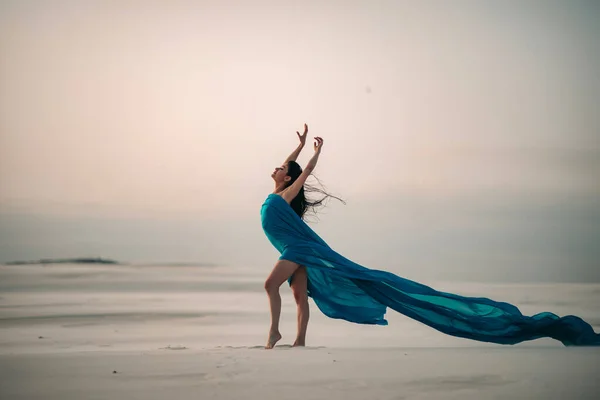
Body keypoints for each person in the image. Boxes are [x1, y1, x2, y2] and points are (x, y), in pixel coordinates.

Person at [261, 123, 600, 349]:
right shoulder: (277, 192)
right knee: (300, 298)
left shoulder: (284, 195)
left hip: (297, 247)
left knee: (270, 286)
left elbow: (300, 172)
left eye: (279, 168)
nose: (274, 168)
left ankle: (276, 332)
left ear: (286, 179)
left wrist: (313, 154)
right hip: (297, 247)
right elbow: (291, 164)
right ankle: (300, 342)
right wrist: (299, 145)